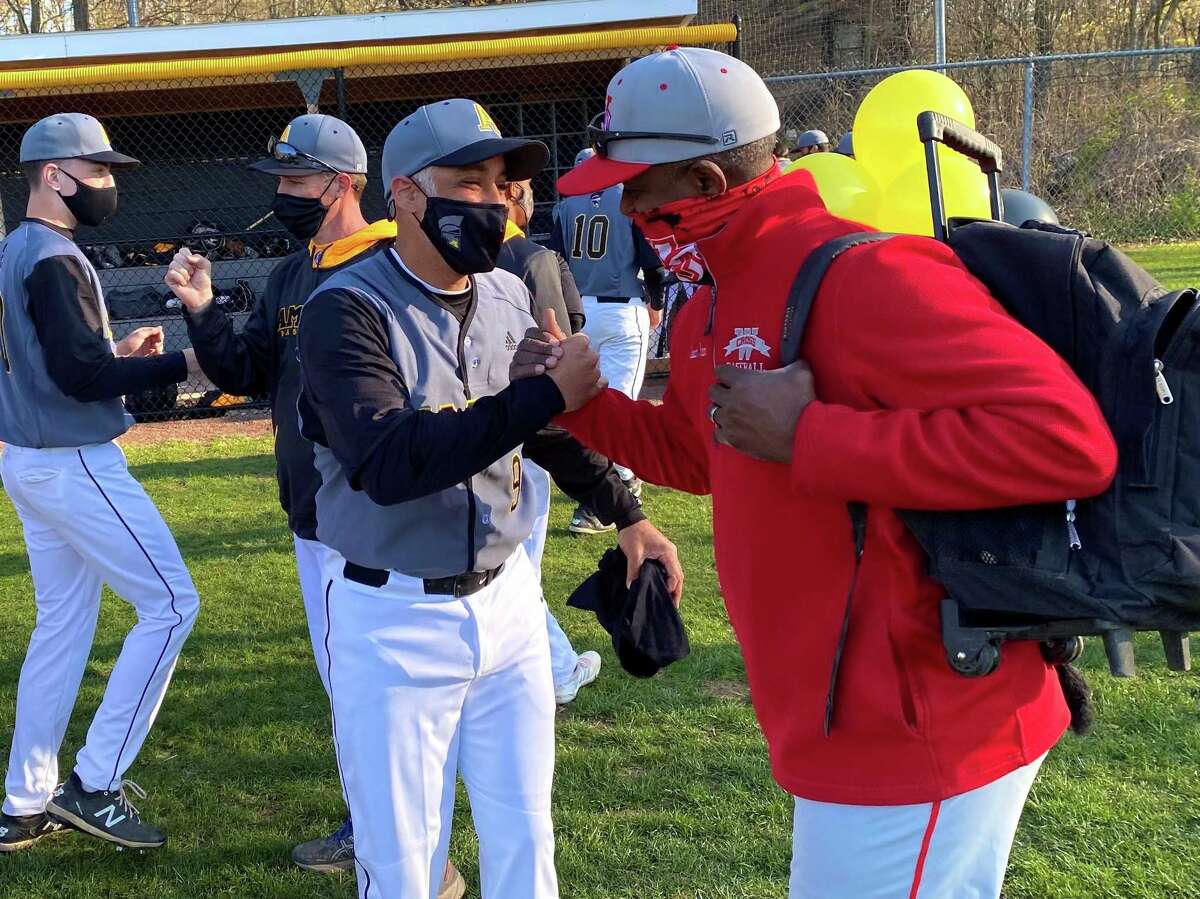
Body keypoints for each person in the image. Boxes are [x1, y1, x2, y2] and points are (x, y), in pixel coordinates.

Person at [513, 47, 1118, 898]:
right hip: (846, 719)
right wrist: (575, 402)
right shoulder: (710, 298)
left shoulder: (865, 274)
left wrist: (813, 436)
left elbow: (1067, 442)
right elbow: (704, 454)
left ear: (709, 184)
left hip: (925, 723)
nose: (625, 206)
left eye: (638, 188)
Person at [295, 98, 682, 899]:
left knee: (525, 841)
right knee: (404, 865)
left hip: (507, 604)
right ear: (403, 194)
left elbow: (535, 436)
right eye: (467, 182)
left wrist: (626, 510)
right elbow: (390, 459)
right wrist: (542, 397)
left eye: (502, 183)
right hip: (391, 616)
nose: (493, 201)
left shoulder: (505, 291)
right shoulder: (344, 307)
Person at [162, 114, 465, 895]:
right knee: (357, 691)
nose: (285, 196)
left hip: (369, 513)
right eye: (283, 183)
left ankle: (402, 847)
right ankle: (393, 834)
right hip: (313, 512)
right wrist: (201, 306)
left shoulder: (390, 262)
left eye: (297, 182)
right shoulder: (292, 274)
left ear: (347, 184)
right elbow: (246, 369)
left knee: (375, 696)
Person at [0, 113, 203, 853]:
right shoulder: (52, 256)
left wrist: (113, 349)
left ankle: (24, 799)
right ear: (54, 176)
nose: (108, 183)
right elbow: (81, 377)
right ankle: (94, 782)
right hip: (74, 459)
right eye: (98, 170)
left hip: (29, 457)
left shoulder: (15, 249)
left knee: (61, 627)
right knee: (173, 603)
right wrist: (182, 364)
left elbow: (55, 361)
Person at [498, 177, 661, 704]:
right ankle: (554, 665)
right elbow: (565, 325)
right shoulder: (529, 255)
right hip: (612, 313)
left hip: (528, 408)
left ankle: (551, 663)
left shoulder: (567, 211)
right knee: (518, 563)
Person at [548, 148, 665, 535]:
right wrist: (657, 303)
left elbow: (557, 263)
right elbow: (653, 264)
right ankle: (610, 494)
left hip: (579, 311)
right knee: (620, 405)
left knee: (585, 401)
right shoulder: (627, 198)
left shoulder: (568, 204)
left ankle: (601, 480)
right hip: (622, 308)